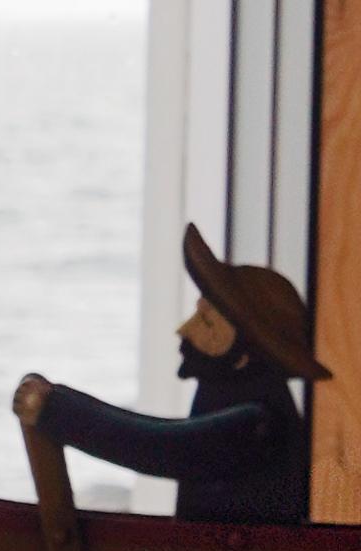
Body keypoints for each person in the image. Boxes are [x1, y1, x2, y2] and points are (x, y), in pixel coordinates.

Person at [23, 226, 326, 527]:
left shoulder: (257, 425)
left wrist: (56, 410)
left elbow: (157, 446)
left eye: (206, 322)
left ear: (245, 354)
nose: (185, 329)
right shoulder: (237, 401)